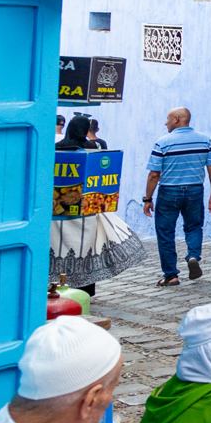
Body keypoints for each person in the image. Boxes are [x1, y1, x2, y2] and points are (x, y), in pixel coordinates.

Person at [51, 115, 146, 296]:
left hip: (59, 209)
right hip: (87, 211)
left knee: (60, 248)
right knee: (84, 248)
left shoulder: (57, 148)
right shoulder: (93, 148)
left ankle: (56, 286)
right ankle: (84, 290)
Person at [144, 107, 211, 286]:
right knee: (194, 226)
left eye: (168, 119)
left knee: (165, 232)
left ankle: (171, 275)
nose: (165, 122)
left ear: (176, 119)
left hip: (169, 192)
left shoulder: (162, 142)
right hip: (195, 190)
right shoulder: (205, 140)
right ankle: (193, 256)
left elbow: (154, 174)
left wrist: (147, 199)